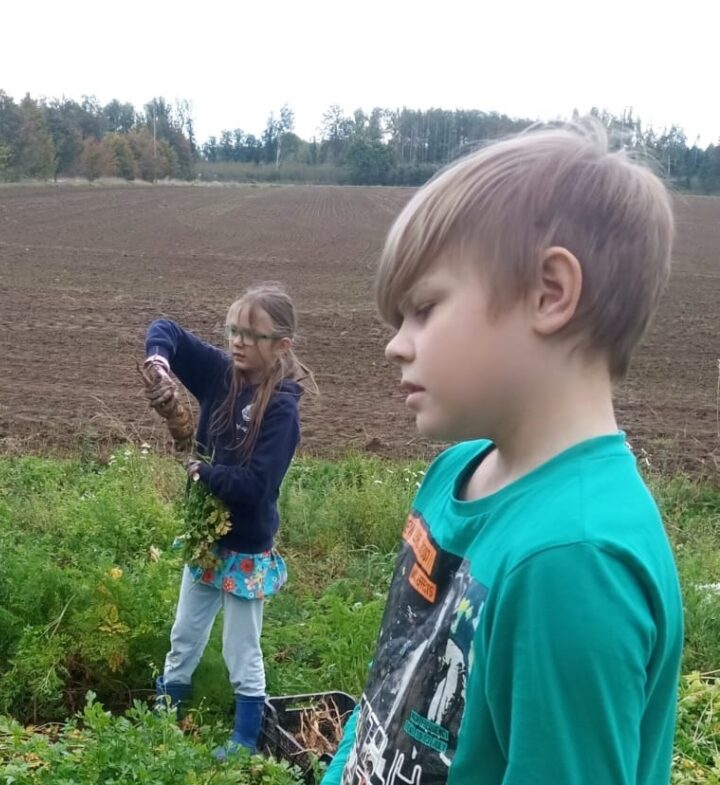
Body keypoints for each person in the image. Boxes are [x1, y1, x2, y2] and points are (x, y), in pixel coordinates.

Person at [322, 119, 683, 785]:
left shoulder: (573, 560)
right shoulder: (452, 474)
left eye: (424, 308)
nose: (396, 344)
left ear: (549, 293)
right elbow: (388, 695)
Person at [143, 283, 316, 756]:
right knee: (184, 636)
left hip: (245, 549)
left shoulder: (281, 410)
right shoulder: (221, 376)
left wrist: (204, 472)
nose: (238, 342)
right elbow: (167, 331)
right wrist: (158, 362)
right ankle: (164, 720)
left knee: (240, 651)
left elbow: (257, 485)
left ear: (281, 346)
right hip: (204, 539)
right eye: (233, 331)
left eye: (252, 335)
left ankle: (244, 739)